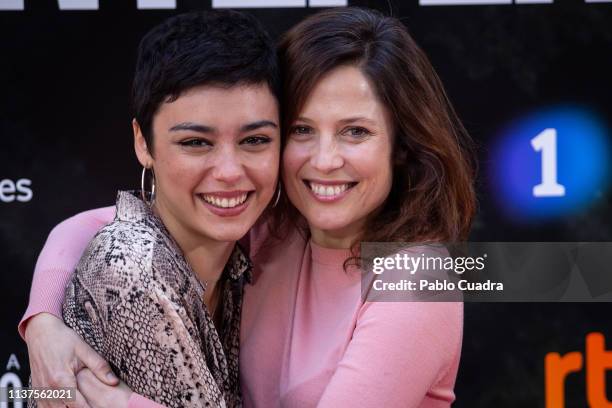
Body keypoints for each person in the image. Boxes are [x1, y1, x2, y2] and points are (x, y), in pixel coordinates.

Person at [20, 7, 476, 408]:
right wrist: (42, 323)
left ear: (401, 143)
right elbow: (86, 227)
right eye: (301, 130)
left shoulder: (418, 277)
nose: (324, 160)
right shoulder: (272, 230)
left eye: (355, 131)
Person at [23, 9, 281, 408]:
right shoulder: (138, 267)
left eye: (255, 140)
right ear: (144, 143)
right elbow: (107, 243)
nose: (327, 160)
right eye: (196, 142)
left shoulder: (276, 239)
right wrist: (41, 321)